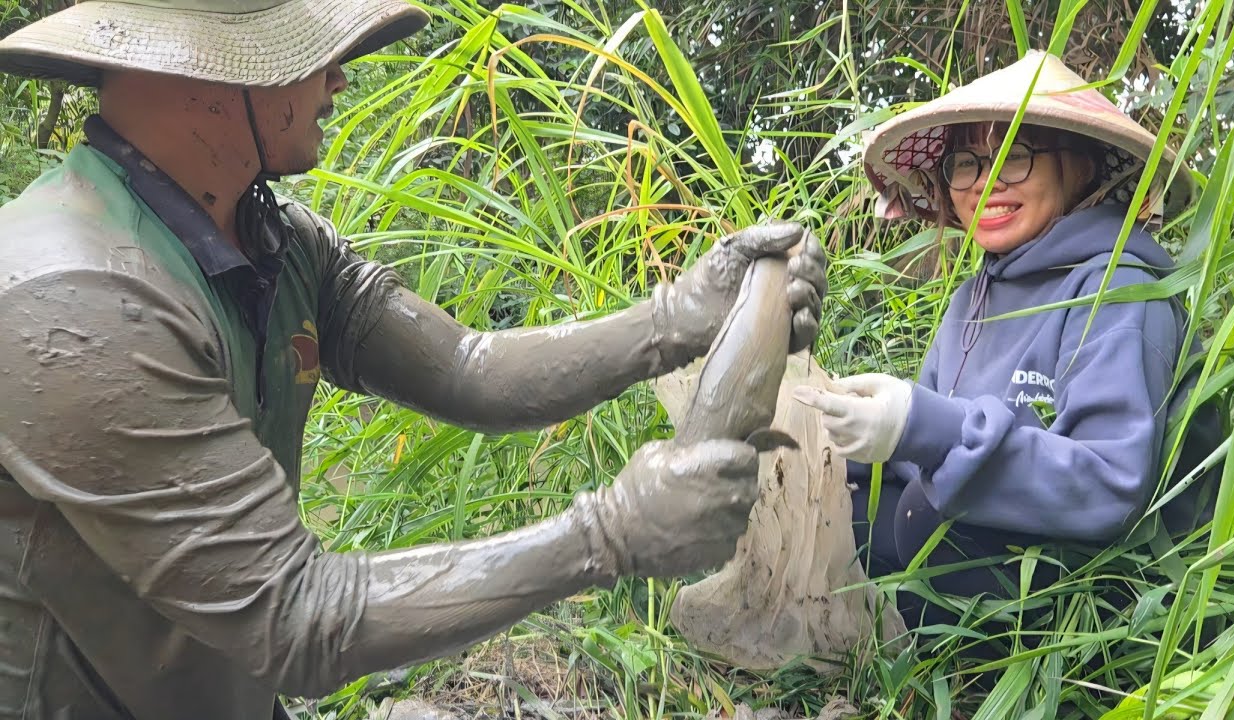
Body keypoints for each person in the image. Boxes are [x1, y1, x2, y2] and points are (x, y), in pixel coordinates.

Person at [0, 1, 829, 718]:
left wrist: (680, 315)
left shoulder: (274, 240)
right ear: (208, 79)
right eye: (313, 54)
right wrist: (610, 535)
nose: (339, 79)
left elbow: (467, 366)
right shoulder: (74, 298)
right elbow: (295, 616)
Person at [794, 51, 1220, 631]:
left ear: (1082, 165)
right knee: (838, 501)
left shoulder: (1119, 288)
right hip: (982, 542)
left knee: (924, 535)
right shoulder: (971, 298)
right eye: (966, 163)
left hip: (1094, 587)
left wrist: (919, 427)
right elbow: (920, 460)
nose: (985, 184)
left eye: (1015, 157)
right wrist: (849, 447)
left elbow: (1109, 482)